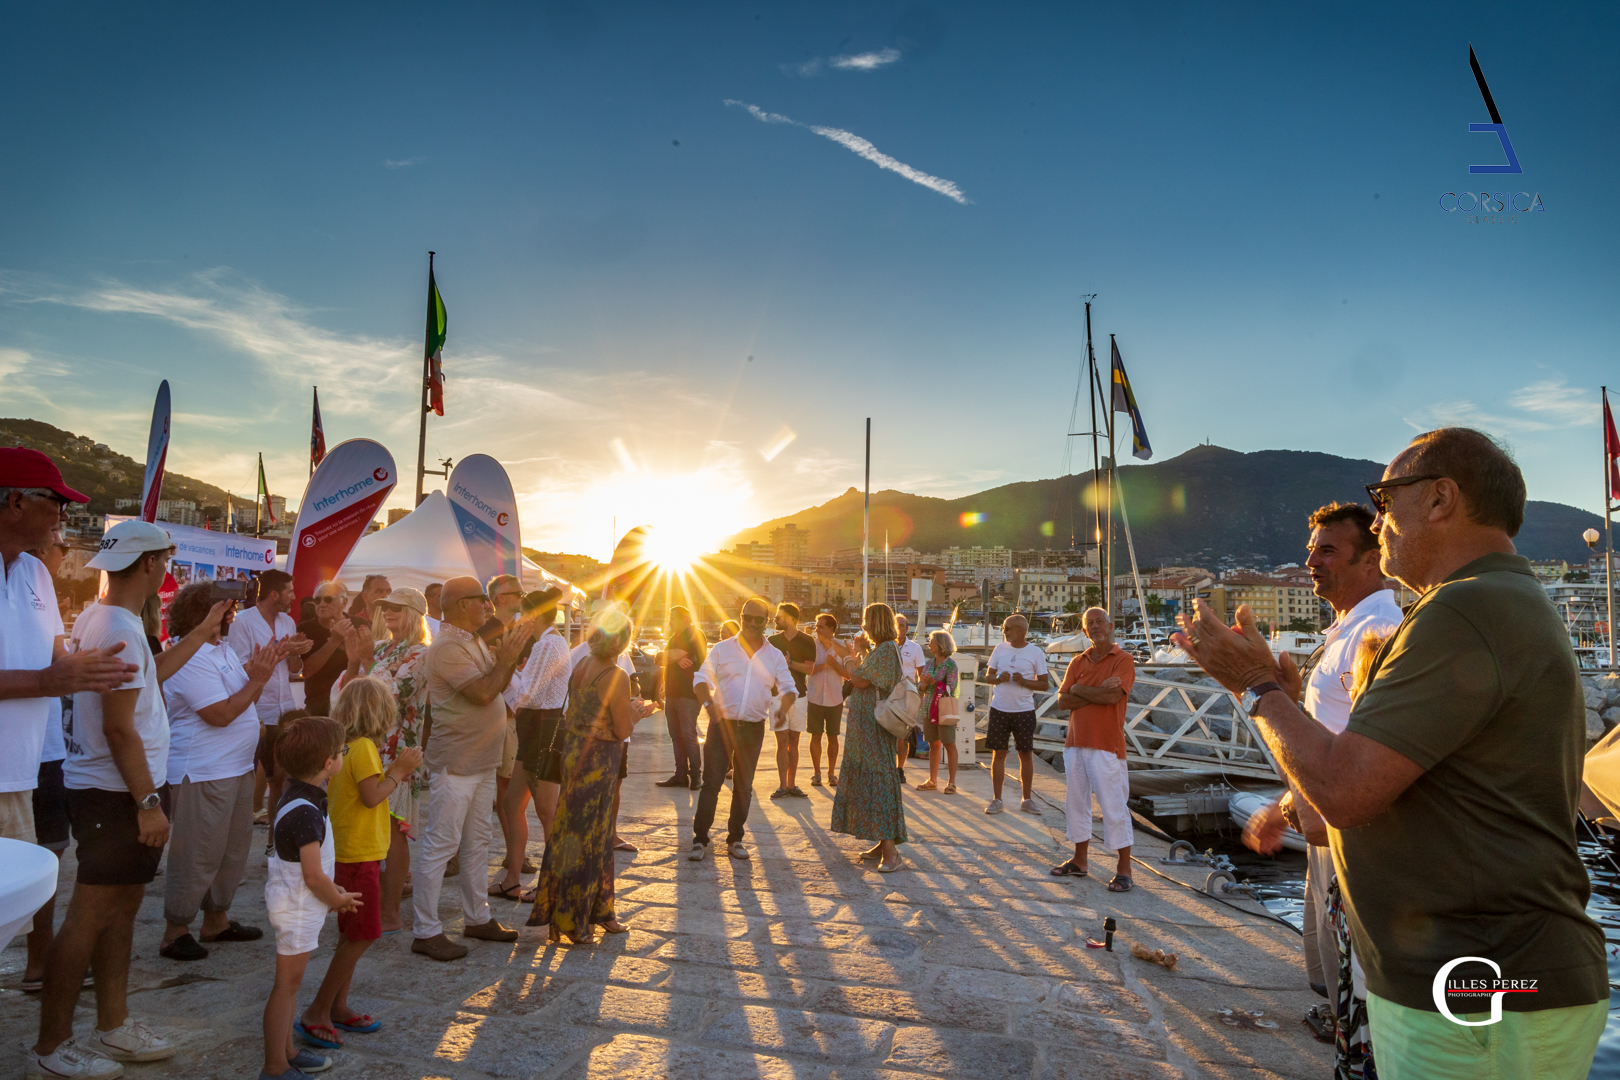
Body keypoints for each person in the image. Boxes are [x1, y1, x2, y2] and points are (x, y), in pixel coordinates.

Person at [1179, 428, 1608, 1080]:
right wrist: (1290, 707)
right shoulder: (1488, 603)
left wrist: (1256, 687)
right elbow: (1369, 787)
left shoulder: (1463, 611)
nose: (1378, 521)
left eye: (1384, 498)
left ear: (1440, 498)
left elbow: (1346, 791)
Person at [31, 521, 226, 1079]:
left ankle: (113, 1025)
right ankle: (51, 1047)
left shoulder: (102, 617)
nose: (167, 568)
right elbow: (119, 728)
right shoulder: (116, 623)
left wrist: (202, 631)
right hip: (115, 792)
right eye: (165, 559)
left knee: (120, 911)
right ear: (148, 564)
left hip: (116, 789)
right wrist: (147, 802)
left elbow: (147, 680)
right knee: (91, 916)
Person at [1243, 502, 1404, 1044]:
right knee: (1334, 958)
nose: (1311, 560)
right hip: (1324, 821)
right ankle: (1342, 1027)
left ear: (1371, 559)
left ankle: (1359, 1042)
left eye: (1328, 550)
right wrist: (1287, 803)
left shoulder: (1377, 630)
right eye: (1310, 549)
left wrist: (1259, 687)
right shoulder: (1346, 628)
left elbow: (1372, 754)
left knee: (1360, 974)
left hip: (1354, 837)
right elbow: (1330, 733)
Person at [158, 582, 287, 961]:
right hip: (202, 769)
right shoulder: (189, 655)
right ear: (203, 614)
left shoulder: (219, 649)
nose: (231, 616)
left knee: (231, 851)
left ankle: (216, 919)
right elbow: (220, 714)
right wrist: (259, 678)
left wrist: (267, 663)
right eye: (225, 610)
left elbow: (238, 688)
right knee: (197, 853)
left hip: (234, 766)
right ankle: (175, 929)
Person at [298, 678, 422, 1048]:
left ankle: (338, 1006)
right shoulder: (365, 747)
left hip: (346, 851)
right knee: (365, 932)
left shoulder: (343, 748)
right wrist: (398, 771)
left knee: (350, 933)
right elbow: (372, 796)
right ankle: (318, 1010)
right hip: (358, 855)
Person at [410, 576, 530, 961]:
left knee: (478, 841)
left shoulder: (470, 639)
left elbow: (495, 683)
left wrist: (506, 661)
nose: (489, 606)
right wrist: (507, 659)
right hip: (457, 762)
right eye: (482, 600)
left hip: (479, 760)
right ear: (461, 604)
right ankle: (426, 930)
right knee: (442, 845)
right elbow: (482, 693)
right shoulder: (447, 647)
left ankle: (477, 917)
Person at [525, 611, 637, 944]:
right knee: (590, 838)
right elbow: (621, 728)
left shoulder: (583, 665)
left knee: (577, 833)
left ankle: (598, 911)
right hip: (599, 759)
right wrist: (637, 711)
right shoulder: (616, 675)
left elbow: (574, 712)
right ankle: (576, 920)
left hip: (576, 753)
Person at [261, 714, 361, 1080]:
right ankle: (274, 1066)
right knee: (285, 988)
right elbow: (312, 874)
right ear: (328, 763)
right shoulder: (305, 811)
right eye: (341, 751)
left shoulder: (299, 794)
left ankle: (287, 1052)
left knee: (291, 985)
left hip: (298, 902)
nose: (343, 755)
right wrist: (337, 899)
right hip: (297, 907)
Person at [341, 587, 431, 934]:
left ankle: (390, 913)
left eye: (395, 607)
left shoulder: (422, 653)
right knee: (366, 825)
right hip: (366, 749)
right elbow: (348, 693)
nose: (387, 612)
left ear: (412, 613)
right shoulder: (379, 648)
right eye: (385, 607)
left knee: (394, 831)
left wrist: (364, 662)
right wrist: (354, 660)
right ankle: (363, 904)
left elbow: (391, 693)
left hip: (397, 754)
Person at [688, 597, 796, 862]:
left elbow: (790, 688)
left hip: (752, 729)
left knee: (744, 787)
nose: (751, 623)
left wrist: (783, 706)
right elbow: (701, 678)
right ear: (742, 616)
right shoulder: (723, 649)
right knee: (711, 783)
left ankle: (735, 838)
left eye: (758, 619)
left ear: (766, 622)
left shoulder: (774, 656)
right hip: (721, 725)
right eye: (747, 617)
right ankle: (700, 839)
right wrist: (708, 705)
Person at [1049, 607, 1135, 891]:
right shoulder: (1078, 661)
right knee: (1076, 803)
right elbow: (1062, 702)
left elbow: (1113, 697)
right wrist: (1088, 692)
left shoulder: (1123, 660)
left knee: (1113, 806)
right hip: (1075, 742)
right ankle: (1080, 860)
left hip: (1106, 744)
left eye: (1100, 622)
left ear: (1110, 627)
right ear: (1084, 631)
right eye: (1090, 624)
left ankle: (1124, 869)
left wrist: (1079, 690)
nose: (1095, 626)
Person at [495, 589, 568, 902]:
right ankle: (512, 877)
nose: (518, 620)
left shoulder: (549, 644)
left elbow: (529, 693)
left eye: (522, 614)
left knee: (546, 811)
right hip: (534, 730)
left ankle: (553, 885)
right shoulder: (547, 643)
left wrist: (505, 667)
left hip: (544, 731)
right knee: (511, 805)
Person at [229, 569, 313, 831]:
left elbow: (292, 668)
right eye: (289, 591)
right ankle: (243, 824)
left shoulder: (288, 622)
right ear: (275, 594)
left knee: (283, 777)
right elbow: (240, 667)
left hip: (284, 709)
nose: (294, 596)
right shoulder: (242, 622)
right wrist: (282, 650)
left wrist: (297, 653)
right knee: (250, 774)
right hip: (255, 709)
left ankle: (276, 838)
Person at [826, 603, 906, 873]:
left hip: (872, 730)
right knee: (870, 782)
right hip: (865, 729)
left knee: (878, 783)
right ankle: (882, 842)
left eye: (866, 620)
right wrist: (860, 652)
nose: (864, 625)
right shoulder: (880, 650)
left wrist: (849, 658)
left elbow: (858, 680)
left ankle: (891, 851)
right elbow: (867, 677)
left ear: (876, 622)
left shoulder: (885, 650)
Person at [486, 574, 529, 886]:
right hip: (491, 716)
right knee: (493, 790)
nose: (522, 597)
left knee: (510, 790)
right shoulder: (485, 631)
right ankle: (514, 855)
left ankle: (515, 853)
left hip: (514, 719)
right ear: (501, 598)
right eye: (518, 593)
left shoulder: (526, 629)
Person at [983, 614, 1049, 815]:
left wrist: (1025, 682)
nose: (1004, 632)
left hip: (1024, 711)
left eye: (1007, 628)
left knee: (1025, 754)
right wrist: (997, 678)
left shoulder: (1035, 652)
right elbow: (988, 677)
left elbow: (1045, 684)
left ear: (1020, 630)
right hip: (999, 708)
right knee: (999, 754)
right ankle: (997, 799)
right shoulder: (1000, 649)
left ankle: (1026, 799)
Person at [655, 605, 706, 790]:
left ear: (684, 619)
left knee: (689, 734)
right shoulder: (673, 638)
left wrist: (670, 656)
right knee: (676, 736)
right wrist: (674, 657)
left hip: (689, 694)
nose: (669, 622)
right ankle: (680, 775)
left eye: (673, 618)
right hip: (672, 693)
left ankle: (696, 777)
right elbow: (658, 659)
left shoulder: (695, 634)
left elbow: (671, 655)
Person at [768, 602, 816, 800]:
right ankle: (781, 786)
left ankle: (792, 784)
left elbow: (809, 669)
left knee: (794, 741)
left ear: (789, 619)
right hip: (777, 697)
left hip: (799, 696)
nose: (775, 620)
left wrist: (790, 663)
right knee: (781, 742)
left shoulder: (807, 641)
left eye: (778, 617)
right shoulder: (771, 641)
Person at [297, 582, 361, 716]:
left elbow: (367, 661)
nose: (322, 604)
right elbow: (307, 671)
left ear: (344, 602)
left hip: (354, 702)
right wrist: (334, 641)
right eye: (317, 600)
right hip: (318, 704)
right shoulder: (305, 629)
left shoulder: (360, 625)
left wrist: (345, 645)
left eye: (328, 599)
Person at [914, 629, 959, 793]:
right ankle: (932, 780)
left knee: (949, 744)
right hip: (928, 709)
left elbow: (951, 689)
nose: (929, 644)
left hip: (944, 710)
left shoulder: (950, 665)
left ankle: (952, 782)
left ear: (940, 644)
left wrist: (933, 682)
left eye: (931, 641)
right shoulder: (929, 664)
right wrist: (924, 684)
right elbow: (921, 688)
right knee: (933, 745)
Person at [805, 613, 845, 789]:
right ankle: (816, 773)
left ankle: (831, 773)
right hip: (815, 697)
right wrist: (825, 666)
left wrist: (835, 665)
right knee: (815, 736)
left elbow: (849, 674)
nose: (816, 629)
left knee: (833, 737)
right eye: (816, 626)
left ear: (831, 629)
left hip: (835, 698)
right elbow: (808, 669)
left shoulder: (842, 647)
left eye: (820, 626)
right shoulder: (811, 646)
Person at [892, 614, 928, 777]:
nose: (899, 628)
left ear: (907, 629)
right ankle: (888, 768)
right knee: (887, 734)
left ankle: (900, 769)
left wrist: (919, 696)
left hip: (907, 696)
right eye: (896, 625)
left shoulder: (915, 649)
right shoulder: (886, 646)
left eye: (902, 626)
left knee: (903, 736)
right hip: (888, 695)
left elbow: (922, 676)